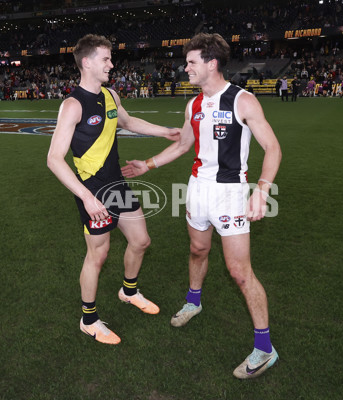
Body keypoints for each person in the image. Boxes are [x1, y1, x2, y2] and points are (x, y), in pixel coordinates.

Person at [122, 32, 282, 379]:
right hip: (197, 189)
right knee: (197, 249)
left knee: (239, 272)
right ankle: (193, 302)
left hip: (230, 192)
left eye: (192, 62)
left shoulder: (243, 101)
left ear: (212, 63)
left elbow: (273, 148)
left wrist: (263, 190)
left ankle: (264, 349)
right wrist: (146, 165)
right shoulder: (193, 104)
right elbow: (183, 145)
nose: (186, 68)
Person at [46, 34, 180, 345]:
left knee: (141, 240)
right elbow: (54, 159)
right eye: (106, 59)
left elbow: (129, 122)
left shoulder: (110, 96)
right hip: (91, 191)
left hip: (117, 185)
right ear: (87, 62)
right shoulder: (72, 105)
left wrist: (167, 132)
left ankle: (128, 291)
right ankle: (89, 319)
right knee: (99, 254)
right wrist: (87, 197)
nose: (111, 63)